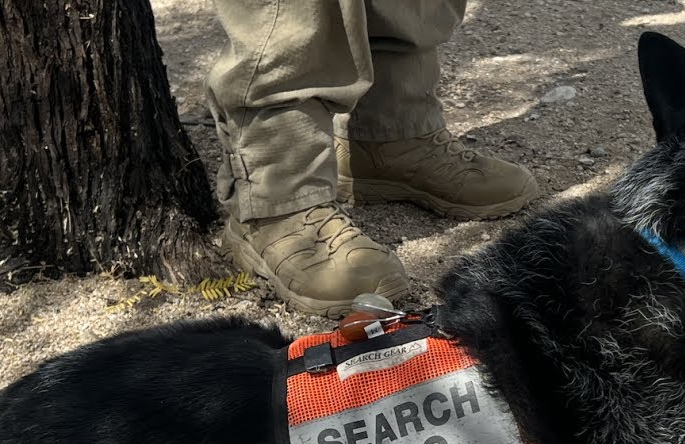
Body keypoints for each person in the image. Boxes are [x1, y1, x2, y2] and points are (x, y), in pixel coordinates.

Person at [205, 1, 538, 317]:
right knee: (290, 17)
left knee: (405, 6)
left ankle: (391, 134)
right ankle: (277, 201)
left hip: (395, 121)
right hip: (274, 183)